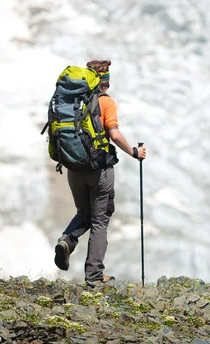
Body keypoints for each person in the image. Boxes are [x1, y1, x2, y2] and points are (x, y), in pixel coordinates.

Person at [54, 59, 146, 285]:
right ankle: (94, 274)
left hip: (74, 168)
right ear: (105, 81)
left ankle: (66, 241)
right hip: (99, 170)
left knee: (83, 212)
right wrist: (134, 152)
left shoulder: (73, 101)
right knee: (100, 220)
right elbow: (114, 134)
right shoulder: (105, 102)